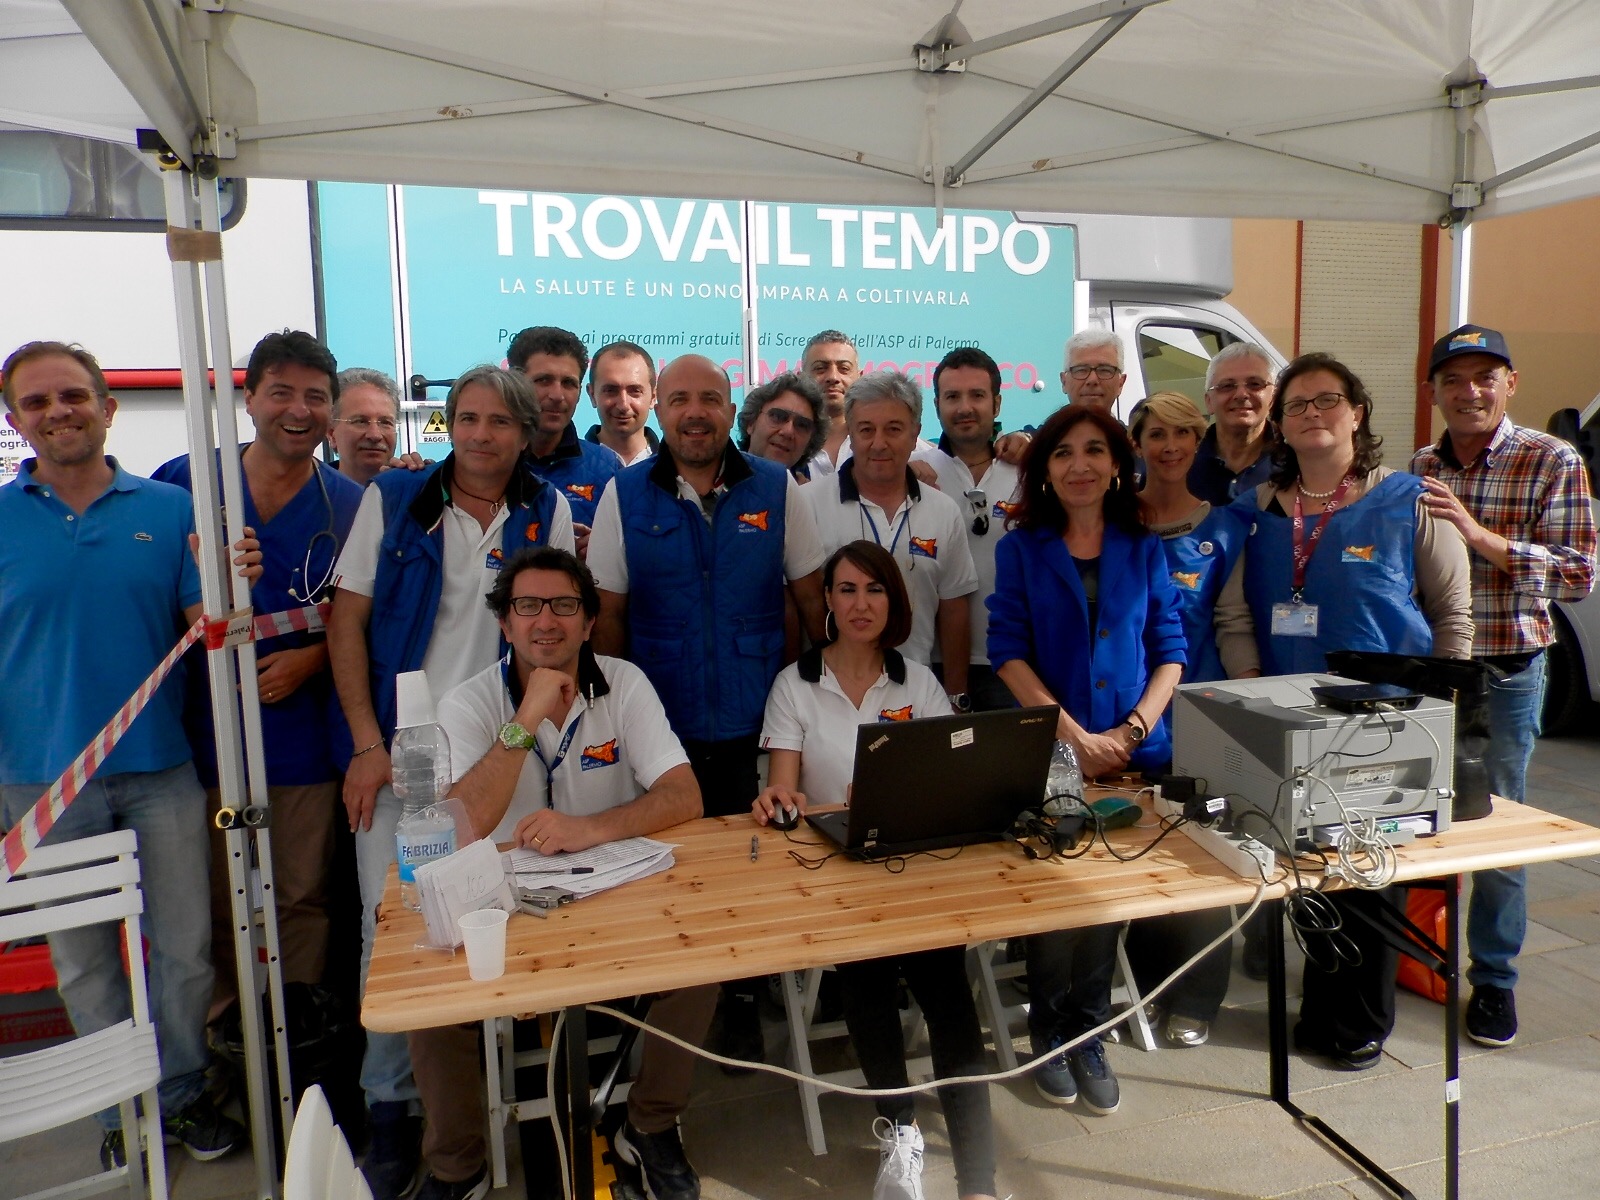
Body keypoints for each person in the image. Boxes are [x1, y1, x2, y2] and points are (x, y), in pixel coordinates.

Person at [0, 340, 252, 1170]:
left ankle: (177, 1094)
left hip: (162, 770)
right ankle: (120, 1106)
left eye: (73, 395)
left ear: (107, 408)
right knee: (83, 961)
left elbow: (207, 631)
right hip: (39, 785)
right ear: (16, 421)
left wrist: (234, 588)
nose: (58, 412)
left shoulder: (172, 510)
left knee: (184, 950)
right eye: (37, 402)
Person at [327, 364, 573, 1199]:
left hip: (504, 748)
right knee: (393, 933)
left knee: (507, 916)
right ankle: (394, 1111)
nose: (479, 435)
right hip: (407, 753)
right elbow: (348, 622)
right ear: (447, 427)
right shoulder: (395, 499)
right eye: (465, 419)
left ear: (524, 432)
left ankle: (521, 1105)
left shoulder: (547, 507)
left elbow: (555, 622)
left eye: (498, 422)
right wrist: (367, 742)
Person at [429, 547, 712, 1200]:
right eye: (528, 606)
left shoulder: (624, 683)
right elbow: (461, 827)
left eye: (564, 605)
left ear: (589, 622)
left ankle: (650, 1124)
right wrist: (526, 717)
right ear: (505, 624)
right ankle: (458, 1164)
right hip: (504, 907)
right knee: (431, 1003)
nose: (546, 620)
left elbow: (685, 795)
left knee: (702, 967)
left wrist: (589, 828)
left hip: (610, 894)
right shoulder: (468, 702)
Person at [587, 353, 827, 1067]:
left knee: (751, 871)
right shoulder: (625, 494)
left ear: (731, 410)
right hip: (660, 727)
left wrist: (817, 701)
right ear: (660, 409)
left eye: (711, 399)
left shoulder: (777, 488)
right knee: (664, 874)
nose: (696, 413)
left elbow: (811, 601)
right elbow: (608, 616)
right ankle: (663, 1002)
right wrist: (609, 717)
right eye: (681, 399)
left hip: (756, 720)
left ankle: (741, 996)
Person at [1238, 351, 1472, 1070]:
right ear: (1280, 423)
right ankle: (1318, 1009)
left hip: (1385, 723)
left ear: (1357, 413)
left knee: (1371, 870)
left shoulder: (1410, 500)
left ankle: (1359, 1026)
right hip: (1290, 719)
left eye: (1327, 400)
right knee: (1308, 869)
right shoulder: (1258, 508)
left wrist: (1441, 713)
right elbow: (1235, 613)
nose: (1312, 413)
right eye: (1297, 404)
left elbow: (1452, 614)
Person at [753, 541, 996, 1200]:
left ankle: (978, 1181)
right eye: (847, 589)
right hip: (838, 872)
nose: (861, 604)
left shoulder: (918, 683)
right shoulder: (795, 683)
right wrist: (784, 801)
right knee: (865, 976)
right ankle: (901, 1131)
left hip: (915, 868)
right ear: (828, 602)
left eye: (875, 589)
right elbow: (785, 788)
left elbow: (951, 782)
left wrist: (900, 796)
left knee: (949, 993)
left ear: (894, 601)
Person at [154, 330, 364, 1019]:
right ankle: (228, 1035)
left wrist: (313, 658)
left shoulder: (350, 506)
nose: (298, 410)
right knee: (216, 898)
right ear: (249, 399)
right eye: (281, 392)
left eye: (315, 397)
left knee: (301, 894)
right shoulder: (186, 483)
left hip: (303, 742)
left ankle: (297, 1031)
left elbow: (366, 617)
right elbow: (152, 601)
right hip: (208, 735)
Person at [987, 405, 1187, 1115]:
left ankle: (1091, 1030)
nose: (1080, 465)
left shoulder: (1143, 546)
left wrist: (1130, 731)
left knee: (1107, 901)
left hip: (1134, 754)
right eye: (1063, 452)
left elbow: (1171, 649)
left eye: (1095, 450)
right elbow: (1006, 650)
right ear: (1045, 469)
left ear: (1117, 465)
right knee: (1059, 896)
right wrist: (1072, 735)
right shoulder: (1022, 548)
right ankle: (1048, 1029)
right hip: (1052, 753)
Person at [1412, 324, 1597, 1048]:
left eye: (1485, 377)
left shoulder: (1551, 458)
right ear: (1434, 391)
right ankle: (1418, 956)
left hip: (1508, 673)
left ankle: (1493, 979)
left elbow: (1577, 575)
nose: (1470, 392)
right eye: (1454, 379)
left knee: (1495, 828)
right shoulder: (1423, 463)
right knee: (1418, 819)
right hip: (1432, 671)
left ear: (1510, 384)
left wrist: (1477, 534)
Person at [1122, 390, 1259, 1046]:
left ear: (1198, 442)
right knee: (1143, 859)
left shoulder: (1225, 528)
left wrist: (1250, 699)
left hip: (1201, 724)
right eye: (1156, 434)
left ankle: (1199, 999)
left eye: (1182, 433)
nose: (1170, 446)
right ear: (1137, 444)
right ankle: (1145, 991)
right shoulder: (1116, 521)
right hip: (1129, 721)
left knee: (1207, 864)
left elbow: (1232, 622)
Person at [804, 371, 979, 706]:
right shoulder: (808, 504)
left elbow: (954, 610)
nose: (879, 443)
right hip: (828, 697)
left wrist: (956, 698)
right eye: (866, 430)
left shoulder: (943, 510)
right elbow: (800, 605)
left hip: (916, 697)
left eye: (894, 429)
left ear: (915, 435)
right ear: (850, 434)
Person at [919, 347, 1021, 711]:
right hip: (932, 665)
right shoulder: (915, 471)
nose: (964, 408)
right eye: (952, 397)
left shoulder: (1028, 471)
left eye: (977, 395)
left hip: (1014, 664)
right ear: (937, 406)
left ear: (997, 403)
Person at [508, 325, 621, 554]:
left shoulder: (608, 468)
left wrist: (607, 551)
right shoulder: (487, 461)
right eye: (543, 380)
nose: (557, 396)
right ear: (516, 384)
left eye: (569, 383)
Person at [1188, 342, 1277, 506]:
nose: (1241, 394)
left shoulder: (1296, 464)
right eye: (1227, 386)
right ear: (1209, 402)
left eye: (1255, 384)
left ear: (1273, 398)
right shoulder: (1182, 462)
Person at [737, 370, 829, 480]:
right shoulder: (720, 482)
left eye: (802, 425)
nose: (788, 431)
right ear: (751, 423)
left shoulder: (811, 490)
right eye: (777, 416)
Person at [585, 339, 660, 466]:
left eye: (635, 391)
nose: (623, 405)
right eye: (611, 391)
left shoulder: (679, 467)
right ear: (592, 395)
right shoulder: (567, 468)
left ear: (653, 397)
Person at [800, 329, 859, 478]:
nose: (833, 377)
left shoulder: (881, 440)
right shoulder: (786, 440)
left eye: (844, 369)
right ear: (801, 378)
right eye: (820, 368)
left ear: (860, 377)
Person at [331, 367, 402, 486]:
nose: (375, 435)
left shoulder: (415, 491)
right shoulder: (308, 494)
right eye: (361, 422)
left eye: (385, 422)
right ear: (331, 434)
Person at [1060, 327, 1127, 415]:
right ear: (1064, 382)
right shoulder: (1050, 425)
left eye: (1104, 370)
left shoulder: (1137, 425)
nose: (1092, 380)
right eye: (1081, 370)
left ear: (1121, 383)